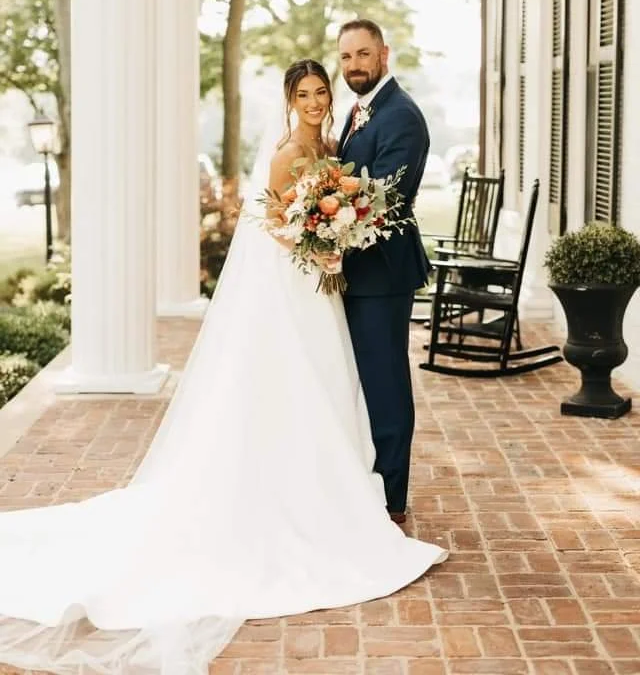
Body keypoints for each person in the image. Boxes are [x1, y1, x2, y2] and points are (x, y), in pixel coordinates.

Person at [0, 58, 447, 675]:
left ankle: (332, 483)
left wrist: (333, 237)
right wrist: (321, 248)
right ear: (289, 99)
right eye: (305, 93)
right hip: (298, 285)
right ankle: (304, 492)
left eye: (321, 91)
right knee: (300, 382)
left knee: (328, 385)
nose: (316, 101)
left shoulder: (332, 139)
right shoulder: (291, 150)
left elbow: (328, 207)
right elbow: (278, 221)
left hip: (321, 285)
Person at [337, 19, 431, 524]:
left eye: (363, 54)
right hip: (356, 272)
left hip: (383, 273)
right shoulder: (359, 112)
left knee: (386, 382)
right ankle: (367, 481)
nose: (354, 65)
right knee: (363, 380)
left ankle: (392, 497)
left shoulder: (401, 117)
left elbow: (386, 199)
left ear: (384, 54)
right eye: (347, 56)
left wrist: (327, 221)